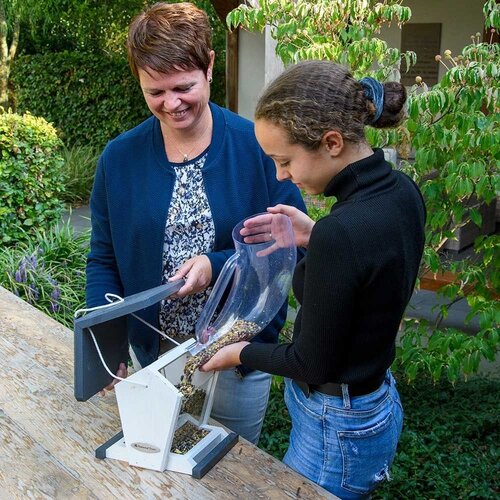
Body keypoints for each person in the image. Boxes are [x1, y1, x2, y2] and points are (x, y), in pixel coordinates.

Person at [201, 60, 426, 498]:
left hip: (335, 428)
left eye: (284, 161)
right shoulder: (402, 192)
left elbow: (310, 363)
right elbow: (373, 271)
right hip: (374, 401)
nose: (281, 176)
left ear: (332, 142)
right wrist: (314, 235)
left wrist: (239, 352)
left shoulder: (341, 234)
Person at [85, 2, 306, 445]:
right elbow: (103, 258)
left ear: (209, 66)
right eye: (155, 92)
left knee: (232, 476)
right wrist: (105, 340)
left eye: (183, 87)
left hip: (235, 357)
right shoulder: (119, 158)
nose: (171, 104)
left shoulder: (256, 146)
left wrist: (215, 265)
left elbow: (288, 246)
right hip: (153, 357)